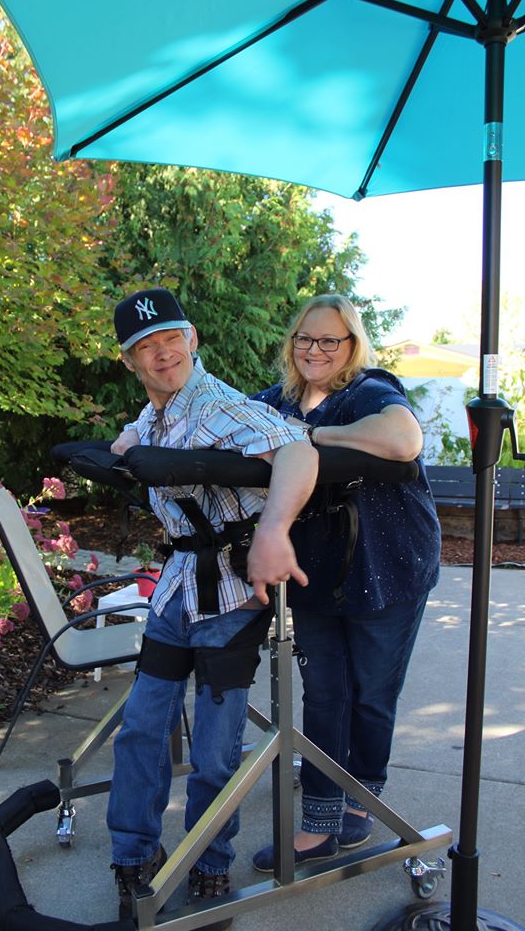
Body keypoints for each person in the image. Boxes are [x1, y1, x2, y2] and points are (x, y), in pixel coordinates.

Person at [106, 287, 318, 926]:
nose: (162, 352)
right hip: (176, 588)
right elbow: (131, 440)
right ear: (130, 360)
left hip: (230, 592)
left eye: (171, 338)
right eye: (147, 345)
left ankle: (209, 860)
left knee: (217, 748)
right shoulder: (157, 415)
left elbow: (299, 449)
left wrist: (275, 533)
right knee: (141, 727)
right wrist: (122, 445)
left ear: (191, 337)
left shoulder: (221, 407)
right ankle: (133, 855)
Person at [250, 293, 441, 872]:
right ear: (292, 344)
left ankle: (363, 797)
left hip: (391, 566)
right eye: (306, 339)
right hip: (315, 569)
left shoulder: (370, 391)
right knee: (326, 693)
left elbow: (404, 440)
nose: (315, 349)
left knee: (370, 694)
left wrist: (309, 437)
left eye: (330, 339)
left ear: (352, 345)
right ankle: (320, 820)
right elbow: (216, 418)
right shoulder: (274, 400)